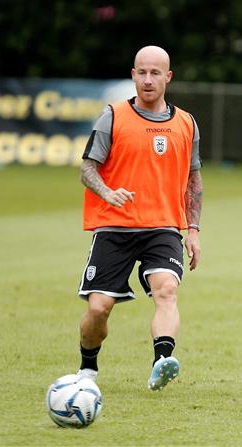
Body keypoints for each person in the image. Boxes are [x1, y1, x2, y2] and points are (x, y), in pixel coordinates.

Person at [74, 45, 203, 392]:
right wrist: (106, 192)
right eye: (141, 72)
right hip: (114, 226)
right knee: (99, 309)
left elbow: (194, 180)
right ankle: (87, 368)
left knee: (167, 289)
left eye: (155, 73)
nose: (147, 80)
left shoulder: (186, 123)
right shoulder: (113, 116)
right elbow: (87, 168)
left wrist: (193, 229)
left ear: (168, 77)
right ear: (133, 75)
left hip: (163, 226)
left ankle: (162, 361)